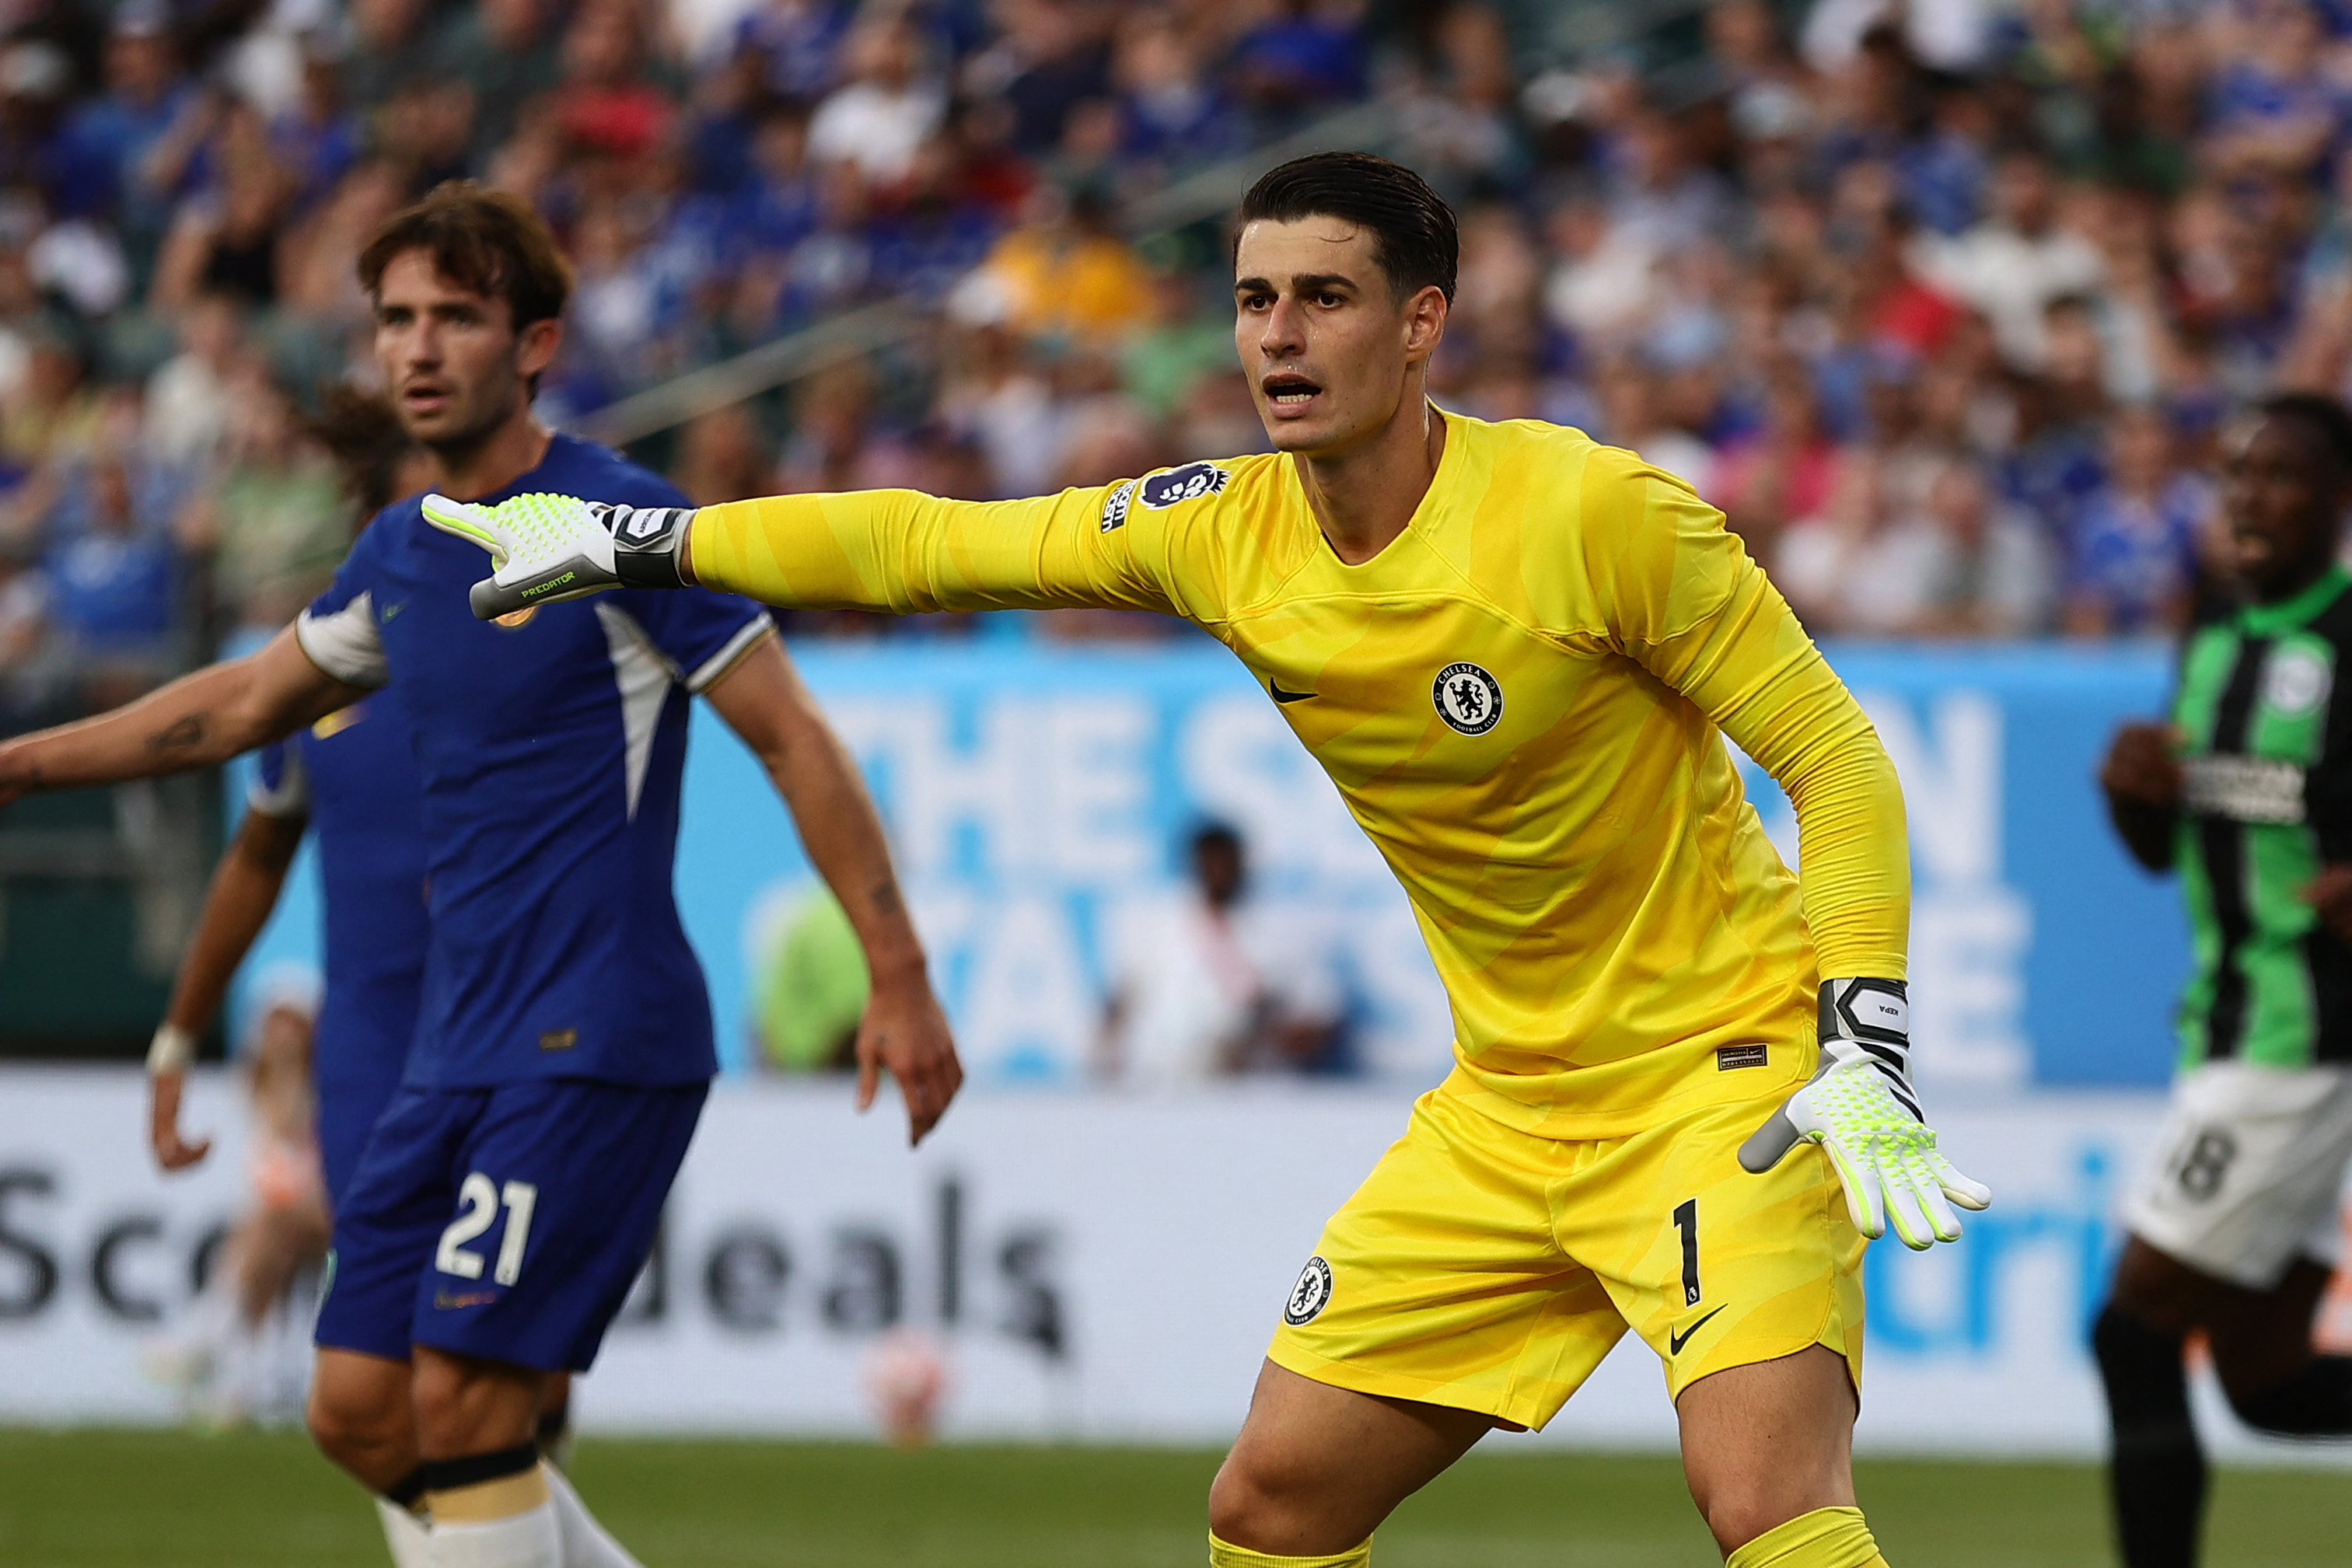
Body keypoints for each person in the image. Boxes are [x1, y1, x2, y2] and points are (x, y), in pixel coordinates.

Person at [433, 152, 1988, 1568]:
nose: (1278, 337)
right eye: (1253, 300)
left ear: (1421, 323)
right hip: (1511, 1108)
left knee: (1765, 1504)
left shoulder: (1593, 514)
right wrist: (648, 544)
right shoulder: (1218, 531)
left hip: (1724, 1080)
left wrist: (1863, 1038)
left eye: (1324, 297)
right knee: (1272, 1507)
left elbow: (1835, 759)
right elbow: (927, 544)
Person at [0, 181, 962, 1568]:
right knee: (356, 1409)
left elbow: (792, 737)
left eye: (455, 316)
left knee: (464, 1399)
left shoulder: (620, 522)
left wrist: (899, 973)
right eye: (396, 318)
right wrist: (25, 762)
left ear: (535, 344)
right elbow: (240, 705)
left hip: (594, 1030)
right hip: (453, 1048)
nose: (418, 345)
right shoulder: (401, 552)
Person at [2092, 392, 2352, 1568]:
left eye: (2280, 474)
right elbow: (2163, 851)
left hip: (2300, 1039)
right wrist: (2129, 793)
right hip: (2228, 1022)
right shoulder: (2210, 629)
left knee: (2132, 1328)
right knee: (2265, 1381)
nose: (2249, 495)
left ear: (2336, 499)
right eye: (2236, 472)